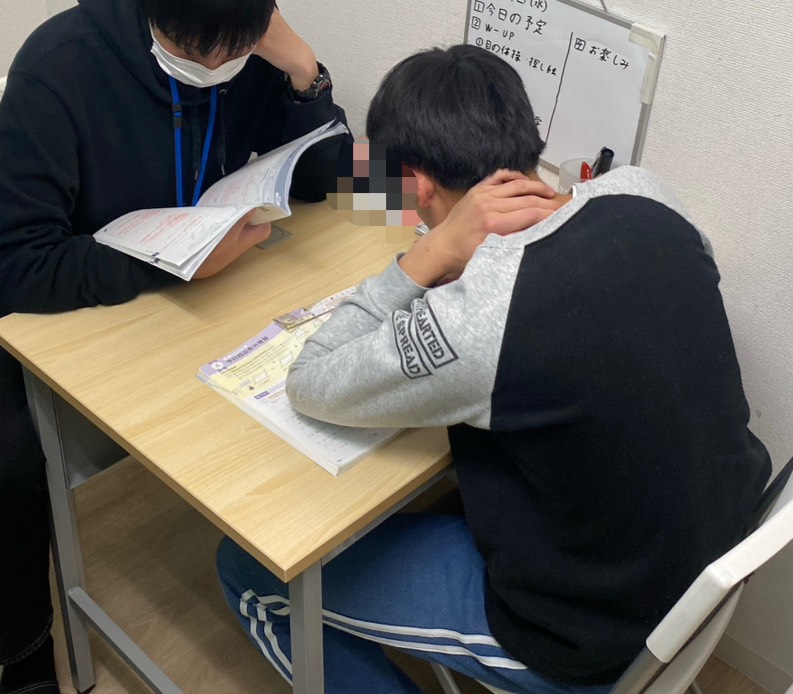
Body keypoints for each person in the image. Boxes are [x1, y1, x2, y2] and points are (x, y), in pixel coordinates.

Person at [215, 44, 772, 693]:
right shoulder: (645, 193)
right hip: (710, 559)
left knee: (251, 570)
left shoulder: (482, 319)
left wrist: (430, 255)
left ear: (416, 183)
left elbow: (311, 381)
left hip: (590, 636)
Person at [0, 0, 352, 690]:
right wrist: (173, 264)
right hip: (77, 301)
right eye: (197, 53)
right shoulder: (57, 67)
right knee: (9, 461)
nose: (219, 66)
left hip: (196, 294)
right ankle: (23, 645)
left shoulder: (246, 40)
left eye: (235, 53)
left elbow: (325, 181)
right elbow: (15, 263)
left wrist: (304, 74)